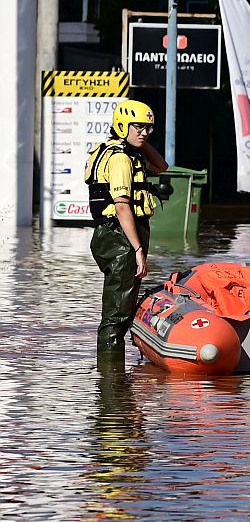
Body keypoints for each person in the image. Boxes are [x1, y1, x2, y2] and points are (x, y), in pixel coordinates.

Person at [86, 99, 168, 356]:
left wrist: (141, 143)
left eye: (148, 128)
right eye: (138, 127)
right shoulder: (121, 159)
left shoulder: (126, 151)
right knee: (116, 317)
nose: (144, 132)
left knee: (121, 309)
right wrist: (138, 249)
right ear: (122, 125)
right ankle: (111, 386)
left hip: (119, 236)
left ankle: (117, 385)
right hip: (120, 237)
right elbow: (122, 206)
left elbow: (162, 166)